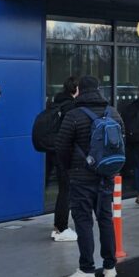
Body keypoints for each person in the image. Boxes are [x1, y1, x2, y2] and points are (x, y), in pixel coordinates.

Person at [54, 76, 123, 277]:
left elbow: (61, 147)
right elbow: (121, 142)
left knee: (83, 221)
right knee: (105, 218)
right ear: (99, 89)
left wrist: (69, 169)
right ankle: (110, 266)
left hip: (81, 177)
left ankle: (87, 269)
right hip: (106, 176)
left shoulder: (74, 115)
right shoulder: (113, 112)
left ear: (78, 91)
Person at [48, 76, 81, 242]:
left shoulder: (56, 103)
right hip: (64, 153)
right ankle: (61, 228)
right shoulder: (71, 107)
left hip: (53, 150)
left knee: (63, 190)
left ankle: (57, 227)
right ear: (76, 90)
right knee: (66, 191)